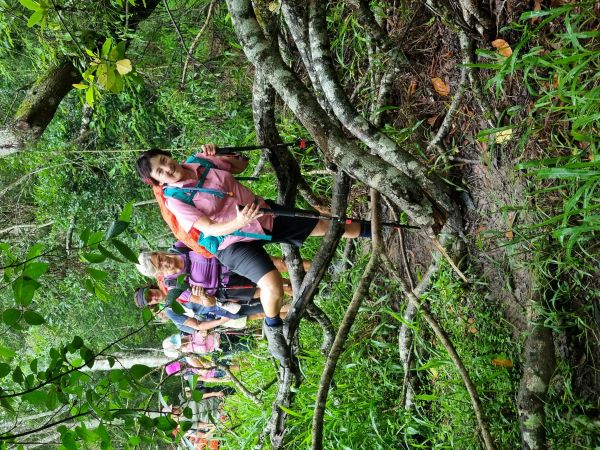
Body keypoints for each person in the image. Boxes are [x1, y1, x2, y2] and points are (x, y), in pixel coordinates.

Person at [135, 145, 371, 366]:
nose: (168, 168)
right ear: (158, 181)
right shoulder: (176, 200)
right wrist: (237, 222)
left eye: (165, 161)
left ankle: (373, 230)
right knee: (272, 284)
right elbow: (208, 228)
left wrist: (223, 155)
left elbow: (240, 167)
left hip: (260, 215)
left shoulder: (200, 162)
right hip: (231, 244)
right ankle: (274, 328)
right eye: (160, 171)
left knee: (324, 224)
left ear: (170, 156)